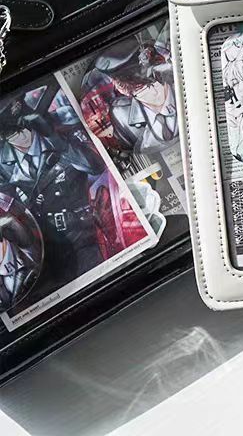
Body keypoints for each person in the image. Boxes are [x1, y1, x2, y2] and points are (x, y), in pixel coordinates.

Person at [0, 99, 105, 299]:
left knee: (99, 290)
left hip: (82, 234)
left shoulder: (60, 136)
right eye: (12, 133)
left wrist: (55, 138)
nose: (22, 136)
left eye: (23, 127)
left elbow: (95, 165)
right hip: (43, 249)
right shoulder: (4, 164)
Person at [92, 39, 178, 155]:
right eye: (142, 90)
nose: (155, 92)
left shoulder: (180, 80)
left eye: (156, 81)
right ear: (122, 89)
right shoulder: (120, 114)